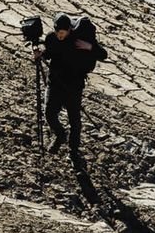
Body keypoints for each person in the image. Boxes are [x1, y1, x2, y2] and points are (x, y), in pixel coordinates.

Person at [32, 14, 105, 152]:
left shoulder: (80, 40)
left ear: (69, 30)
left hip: (74, 85)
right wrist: (40, 55)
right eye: (57, 32)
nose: (59, 35)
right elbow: (49, 53)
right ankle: (60, 135)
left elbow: (103, 54)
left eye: (62, 33)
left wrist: (89, 47)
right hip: (55, 82)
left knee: (74, 120)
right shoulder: (52, 38)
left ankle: (74, 148)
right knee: (49, 114)